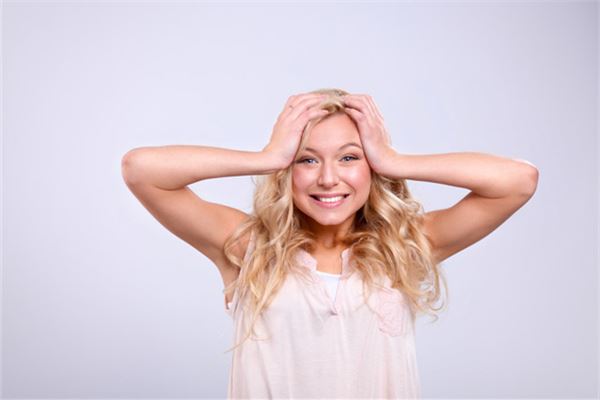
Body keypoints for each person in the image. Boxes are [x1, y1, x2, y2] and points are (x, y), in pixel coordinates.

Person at [121, 88, 539, 399]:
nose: (327, 178)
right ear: (289, 169)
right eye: (307, 159)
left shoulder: (403, 245)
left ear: (371, 167)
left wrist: (394, 161)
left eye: (349, 157)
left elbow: (518, 181)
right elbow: (141, 169)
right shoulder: (250, 245)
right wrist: (267, 157)